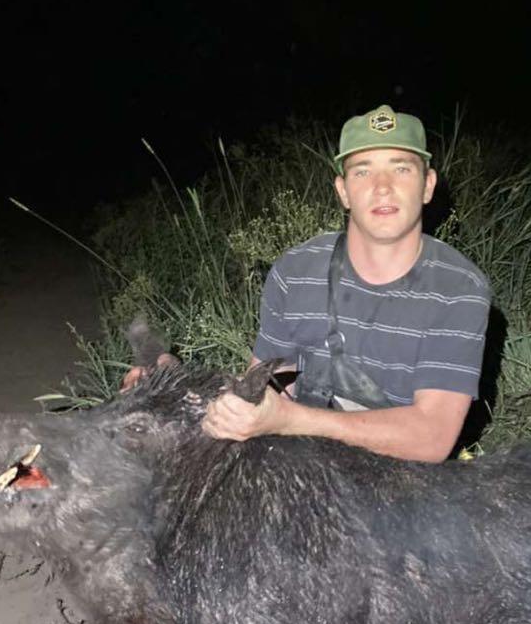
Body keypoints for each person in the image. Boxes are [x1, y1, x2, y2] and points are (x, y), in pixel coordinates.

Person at [201, 104, 491, 462]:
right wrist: (242, 411)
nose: (382, 188)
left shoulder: (458, 288)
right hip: (306, 457)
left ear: (427, 185)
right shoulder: (296, 270)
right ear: (343, 190)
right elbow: (272, 382)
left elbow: (430, 439)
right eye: (362, 171)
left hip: (408, 473)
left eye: (401, 169)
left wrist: (290, 420)